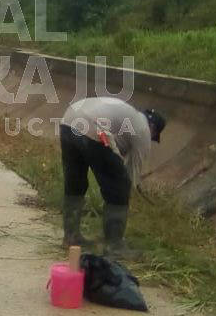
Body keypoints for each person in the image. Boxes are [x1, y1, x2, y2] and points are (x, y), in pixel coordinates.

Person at [58, 96, 166, 260]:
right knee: (120, 187)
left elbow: (113, 154)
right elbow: (131, 174)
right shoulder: (143, 130)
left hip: (68, 119)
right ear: (153, 127)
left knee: (75, 181)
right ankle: (114, 245)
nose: (151, 139)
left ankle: (71, 237)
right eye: (154, 135)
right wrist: (124, 196)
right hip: (94, 126)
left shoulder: (128, 116)